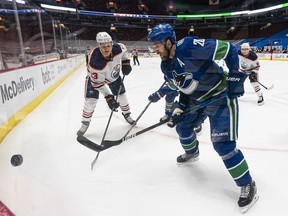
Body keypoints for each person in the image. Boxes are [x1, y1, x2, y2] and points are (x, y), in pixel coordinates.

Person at [147, 23, 258, 213]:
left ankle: (247, 184)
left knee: (223, 145)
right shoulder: (166, 66)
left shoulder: (190, 46)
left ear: (168, 42)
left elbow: (229, 50)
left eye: (156, 45)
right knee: (182, 129)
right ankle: (192, 153)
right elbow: (184, 89)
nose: (154, 50)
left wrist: (233, 75)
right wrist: (180, 106)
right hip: (196, 99)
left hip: (220, 96)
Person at [77, 32, 135, 136]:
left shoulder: (118, 48)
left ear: (112, 44)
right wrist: (108, 97)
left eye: (108, 46)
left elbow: (124, 50)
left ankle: (127, 114)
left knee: (121, 96)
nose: (106, 48)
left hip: (113, 76)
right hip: (95, 80)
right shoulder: (95, 62)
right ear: (99, 46)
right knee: (90, 101)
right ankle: (85, 122)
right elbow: (97, 84)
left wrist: (125, 62)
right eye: (103, 47)